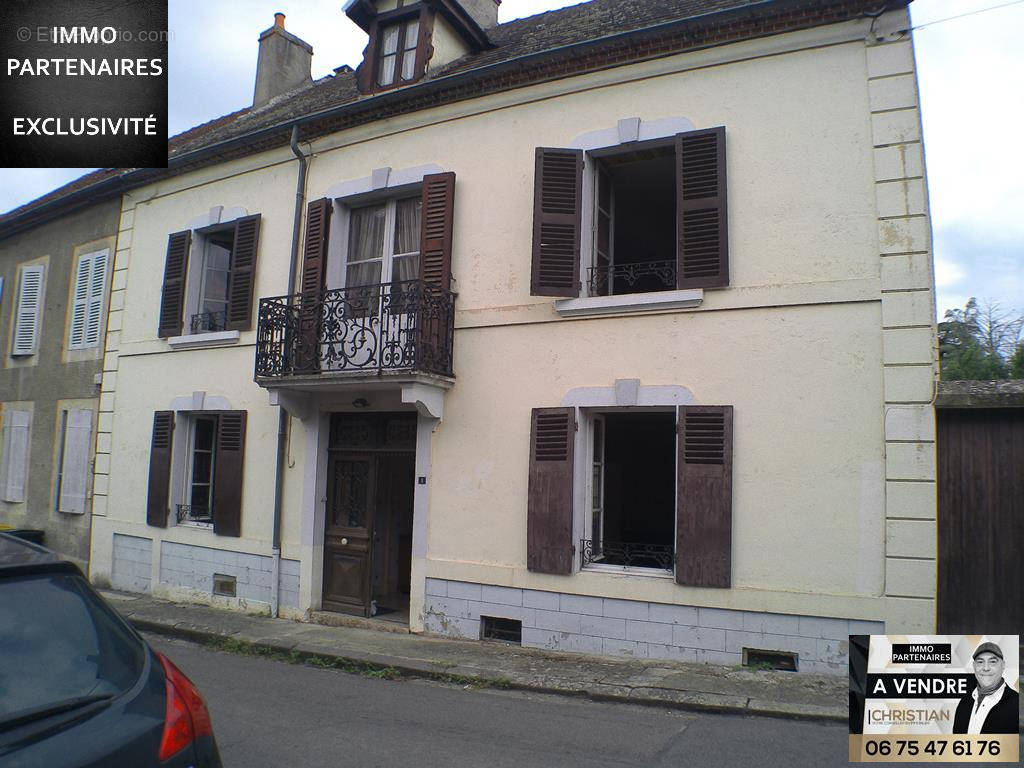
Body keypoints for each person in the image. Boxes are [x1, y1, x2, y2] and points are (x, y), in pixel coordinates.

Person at [953, 642, 1019, 734]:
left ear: (1003, 665)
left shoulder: (1017, 704)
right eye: (980, 662)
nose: (986, 668)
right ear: (974, 666)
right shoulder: (964, 702)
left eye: (992, 662)